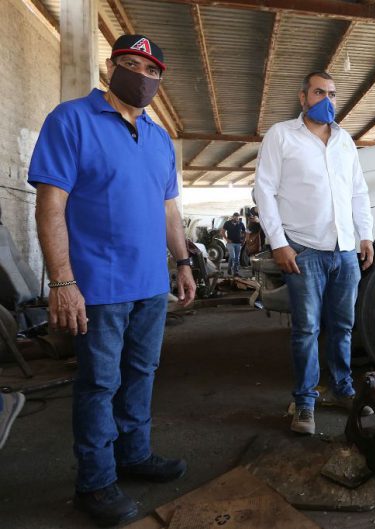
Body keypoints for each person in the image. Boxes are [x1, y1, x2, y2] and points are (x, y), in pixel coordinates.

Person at [28, 34, 196, 527]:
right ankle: (96, 481)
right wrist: (63, 282)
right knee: (99, 383)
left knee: (142, 374)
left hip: (149, 284)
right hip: (97, 286)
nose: (141, 77)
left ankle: (134, 455)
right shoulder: (71, 120)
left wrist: (183, 263)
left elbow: (170, 210)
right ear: (112, 66)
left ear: (160, 80)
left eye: (151, 72)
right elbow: (50, 205)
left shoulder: (160, 137)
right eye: (130, 64)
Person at [254, 71, 374, 435]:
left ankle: (341, 389)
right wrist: (278, 242)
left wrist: (365, 235)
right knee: (306, 329)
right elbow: (264, 190)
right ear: (302, 97)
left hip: (345, 251)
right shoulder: (281, 136)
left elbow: (358, 191)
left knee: (342, 327)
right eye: (319, 92)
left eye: (333, 94)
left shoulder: (345, 141)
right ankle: (305, 403)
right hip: (304, 250)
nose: (327, 100)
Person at [221, 212, 246, 276]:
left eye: (238, 217)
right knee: (233, 256)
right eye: (235, 216)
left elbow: (244, 232)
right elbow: (223, 231)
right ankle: (230, 268)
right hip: (230, 243)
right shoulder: (227, 223)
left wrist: (243, 240)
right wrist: (226, 239)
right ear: (233, 217)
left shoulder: (241, 223)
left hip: (238, 243)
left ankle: (235, 272)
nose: (237, 218)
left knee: (237, 258)